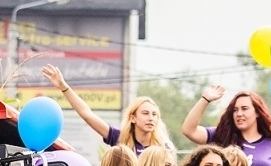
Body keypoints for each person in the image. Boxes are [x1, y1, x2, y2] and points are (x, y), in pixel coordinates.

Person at [42, 64, 175, 154]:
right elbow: (87, 115)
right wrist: (63, 86)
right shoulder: (121, 139)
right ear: (133, 118)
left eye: (154, 114)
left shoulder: (163, 147)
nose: (151, 118)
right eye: (145, 113)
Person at [180, 85, 271, 166]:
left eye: (244, 109)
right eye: (235, 110)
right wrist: (205, 99)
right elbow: (189, 130)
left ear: (257, 112)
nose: (239, 114)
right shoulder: (221, 135)